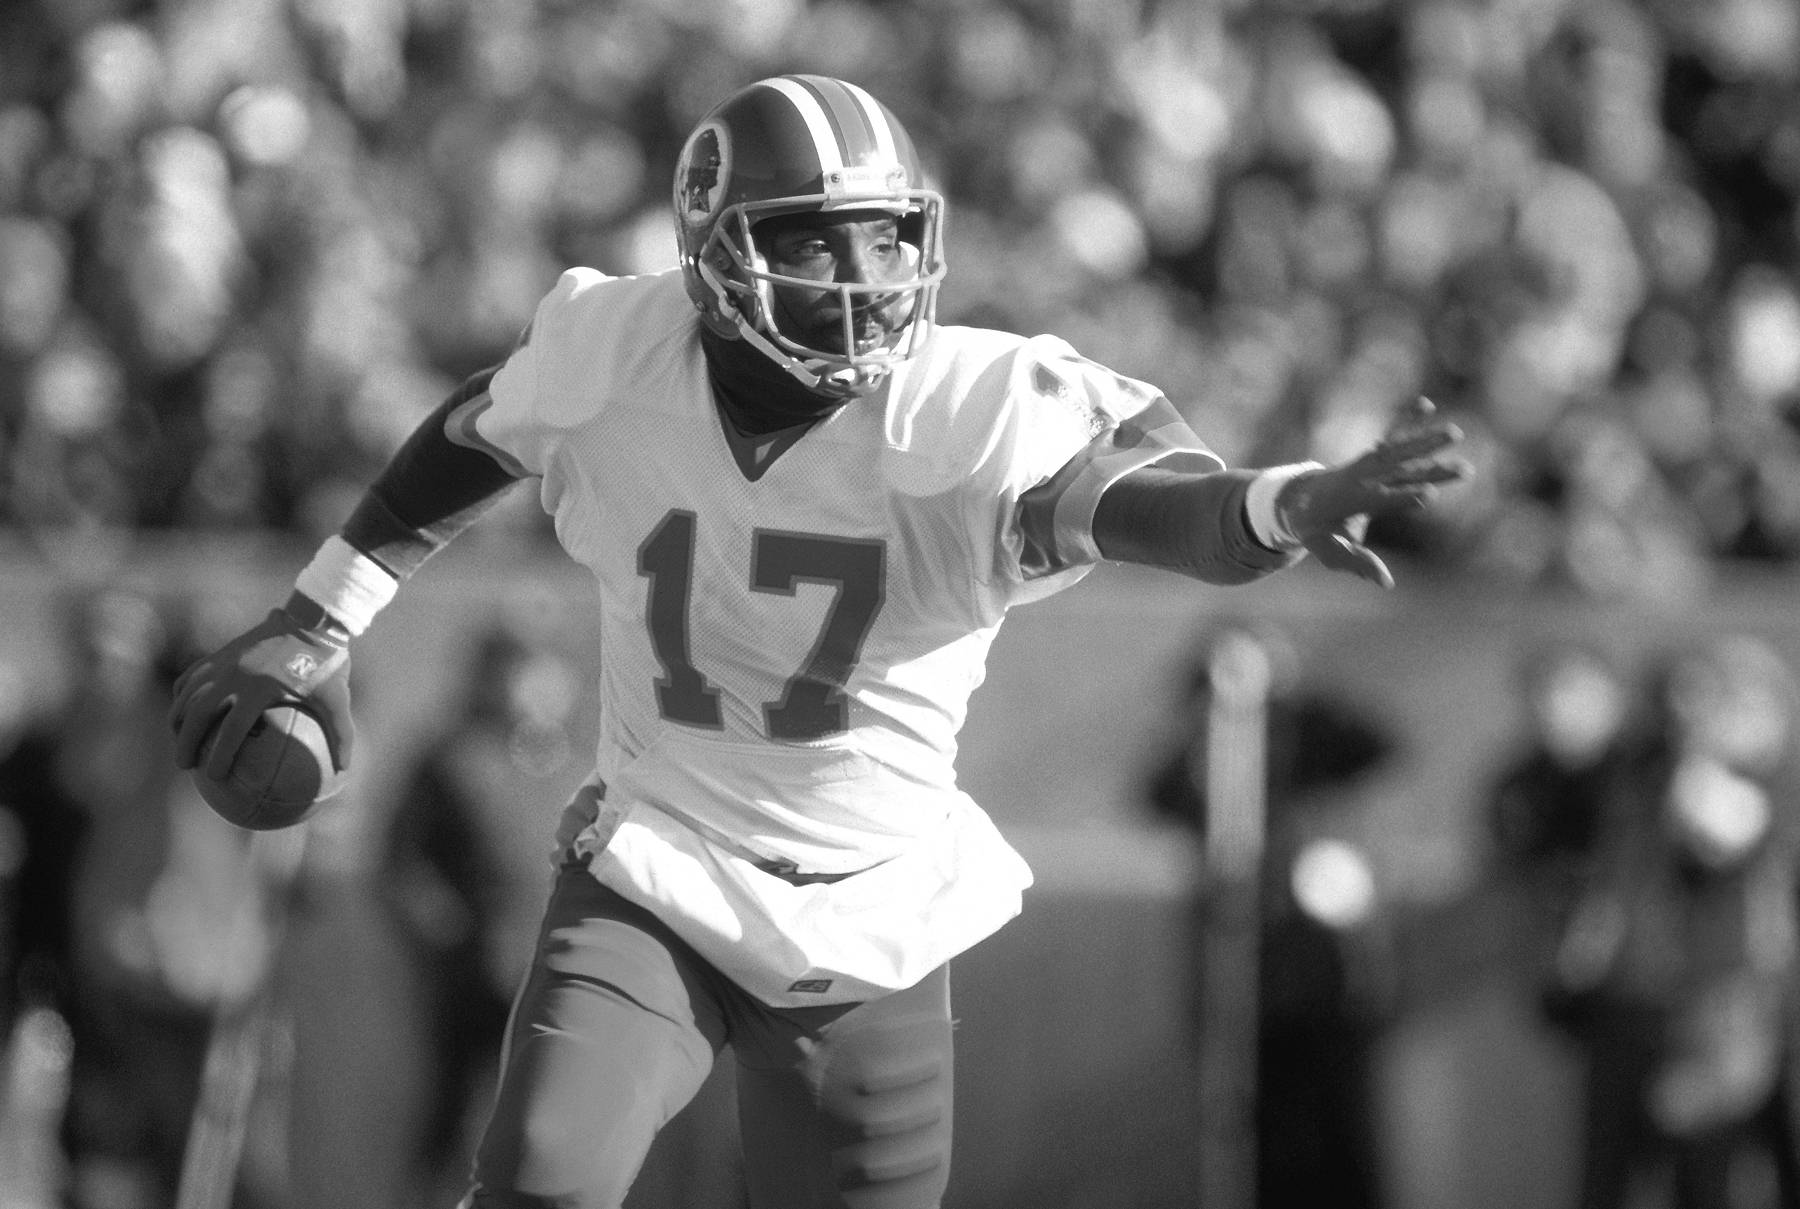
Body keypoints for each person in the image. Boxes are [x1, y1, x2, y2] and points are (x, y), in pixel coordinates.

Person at [167, 74, 1470, 1209]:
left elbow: (1148, 507)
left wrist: (1277, 504)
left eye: (884, 241)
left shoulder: (964, 409)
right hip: (660, 866)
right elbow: (474, 432)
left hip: (870, 916)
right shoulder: (616, 350)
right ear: (714, 253)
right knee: (543, 1179)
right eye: (811, 242)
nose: (861, 281)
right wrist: (321, 612)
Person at [1546, 637, 1800, 1209]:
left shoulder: (1746, 791)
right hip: (1643, 1004)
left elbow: (1719, 835)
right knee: (1614, 1173)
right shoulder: (1640, 780)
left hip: (1724, 1011)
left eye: (1732, 703)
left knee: (1712, 1174)